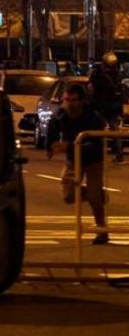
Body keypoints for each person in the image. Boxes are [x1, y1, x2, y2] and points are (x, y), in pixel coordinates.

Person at [46, 83, 109, 244]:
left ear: (81, 101)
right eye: (67, 100)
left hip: (93, 160)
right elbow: (51, 129)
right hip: (73, 160)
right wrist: (50, 147)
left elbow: (96, 142)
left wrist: (69, 145)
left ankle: (102, 231)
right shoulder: (61, 115)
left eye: (74, 100)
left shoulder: (93, 117)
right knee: (68, 195)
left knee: (94, 198)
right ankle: (96, 194)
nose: (70, 104)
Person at [88, 51, 125, 162]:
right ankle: (119, 154)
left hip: (101, 106)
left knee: (95, 130)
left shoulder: (98, 73)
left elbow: (91, 88)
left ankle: (94, 153)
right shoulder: (119, 75)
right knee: (115, 131)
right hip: (115, 106)